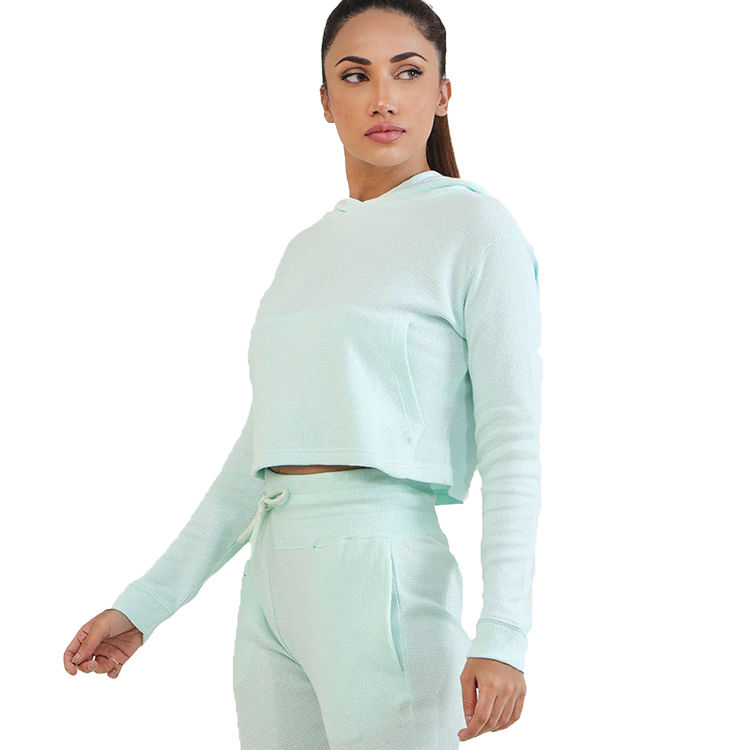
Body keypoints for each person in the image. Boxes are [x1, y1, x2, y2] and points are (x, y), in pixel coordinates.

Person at [62, 2, 542, 748]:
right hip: (272, 581)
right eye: (355, 75)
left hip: (382, 570)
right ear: (324, 99)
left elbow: (512, 441)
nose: (382, 97)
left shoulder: (475, 229)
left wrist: (504, 632)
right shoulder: (304, 251)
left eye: (408, 72)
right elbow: (258, 458)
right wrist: (147, 603)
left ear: (443, 92)